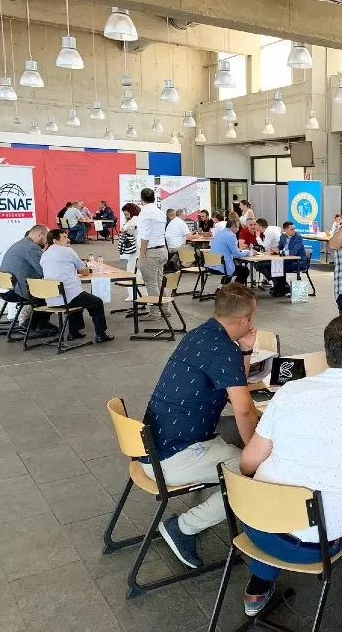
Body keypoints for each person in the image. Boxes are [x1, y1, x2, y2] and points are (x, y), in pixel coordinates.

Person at [237, 312, 342, 615]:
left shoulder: (289, 391)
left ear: (328, 353)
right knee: (307, 504)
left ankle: (257, 587)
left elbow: (247, 463)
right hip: (319, 545)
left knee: (278, 491)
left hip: (253, 525)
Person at [145, 283, 262, 570]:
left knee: (237, 443)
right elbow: (244, 409)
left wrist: (245, 350)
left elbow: (235, 382)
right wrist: (255, 454)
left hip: (152, 444)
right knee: (256, 475)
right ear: (245, 320)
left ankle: (224, 501)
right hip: (174, 457)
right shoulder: (223, 349)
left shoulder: (198, 334)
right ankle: (183, 527)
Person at [39, 229, 114, 343]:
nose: (68, 240)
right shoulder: (67, 251)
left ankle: (74, 332)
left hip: (51, 297)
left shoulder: (44, 254)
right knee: (96, 302)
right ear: (55, 241)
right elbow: (82, 268)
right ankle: (101, 334)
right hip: (66, 295)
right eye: (64, 237)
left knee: (78, 299)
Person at [0, 224, 57, 336]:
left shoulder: (20, 244)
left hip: (7, 289)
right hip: (18, 291)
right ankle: (37, 324)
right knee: (54, 293)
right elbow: (44, 269)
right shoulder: (31, 248)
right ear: (40, 235)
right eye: (46, 238)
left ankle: (33, 321)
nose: (47, 241)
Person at [137, 188, 170, 322]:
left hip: (151, 251)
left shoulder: (144, 213)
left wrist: (142, 252)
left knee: (151, 283)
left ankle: (155, 312)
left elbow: (145, 235)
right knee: (159, 281)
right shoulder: (160, 212)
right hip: (162, 250)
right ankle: (165, 309)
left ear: (141, 199)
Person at [260, 221, 307, 296]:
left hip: (298, 262)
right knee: (267, 265)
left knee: (278, 267)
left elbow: (293, 252)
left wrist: (280, 252)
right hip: (286, 260)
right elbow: (280, 246)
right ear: (285, 230)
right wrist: (275, 249)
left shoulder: (298, 238)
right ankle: (281, 286)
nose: (294, 231)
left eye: (294, 229)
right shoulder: (282, 237)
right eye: (292, 229)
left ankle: (281, 287)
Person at [207, 218, 250, 285]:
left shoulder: (219, 234)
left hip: (211, 265)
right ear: (233, 227)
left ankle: (222, 287)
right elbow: (237, 254)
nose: (238, 229)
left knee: (230, 266)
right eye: (238, 227)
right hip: (220, 267)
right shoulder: (231, 236)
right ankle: (234, 289)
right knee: (244, 271)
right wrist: (248, 252)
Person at [120, 203, 141, 302]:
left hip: (136, 249)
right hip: (138, 248)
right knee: (137, 272)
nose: (126, 216)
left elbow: (123, 229)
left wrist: (125, 226)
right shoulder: (139, 218)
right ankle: (137, 294)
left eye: (127, 214)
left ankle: (133, 295)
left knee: (131, 271)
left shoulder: (135, 218)